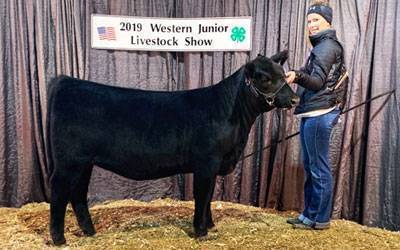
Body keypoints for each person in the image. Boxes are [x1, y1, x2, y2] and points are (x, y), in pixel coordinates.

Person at [285, 1, 346, 230]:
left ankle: (319, 219)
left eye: (315, 20)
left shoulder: (327, 46)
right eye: (309, 21)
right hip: (314, 111)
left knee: (318, 167)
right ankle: (308, 215)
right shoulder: (321, 46)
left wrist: (296, 76)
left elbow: (317, 82)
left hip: (321, 112)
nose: (310, 25)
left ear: (327, 22)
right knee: (311, 166)